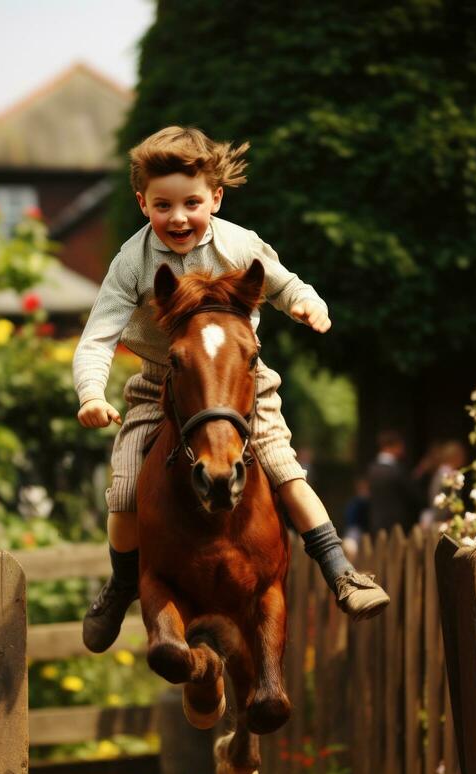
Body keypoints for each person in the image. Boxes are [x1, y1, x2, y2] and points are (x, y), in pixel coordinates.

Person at [73, 126, 389, 652]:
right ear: (141, 203)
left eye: (191, 203)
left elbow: (284, 282)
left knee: (285, 470)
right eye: (162, 205)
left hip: (242, 378)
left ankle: (340, 571)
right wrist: (90, 393)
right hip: (162, 381)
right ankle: (122, 583)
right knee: (125, 489)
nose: (178, 217)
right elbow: (96, 338)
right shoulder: (132, 260)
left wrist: (310, 304)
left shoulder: (239, 243)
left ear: (214, 198)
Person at [367, 430, 420, 534]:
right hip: (397, 527)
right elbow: (413, 495)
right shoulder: (397, 471)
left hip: (375, 524)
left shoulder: (372, 469)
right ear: (394, 446)